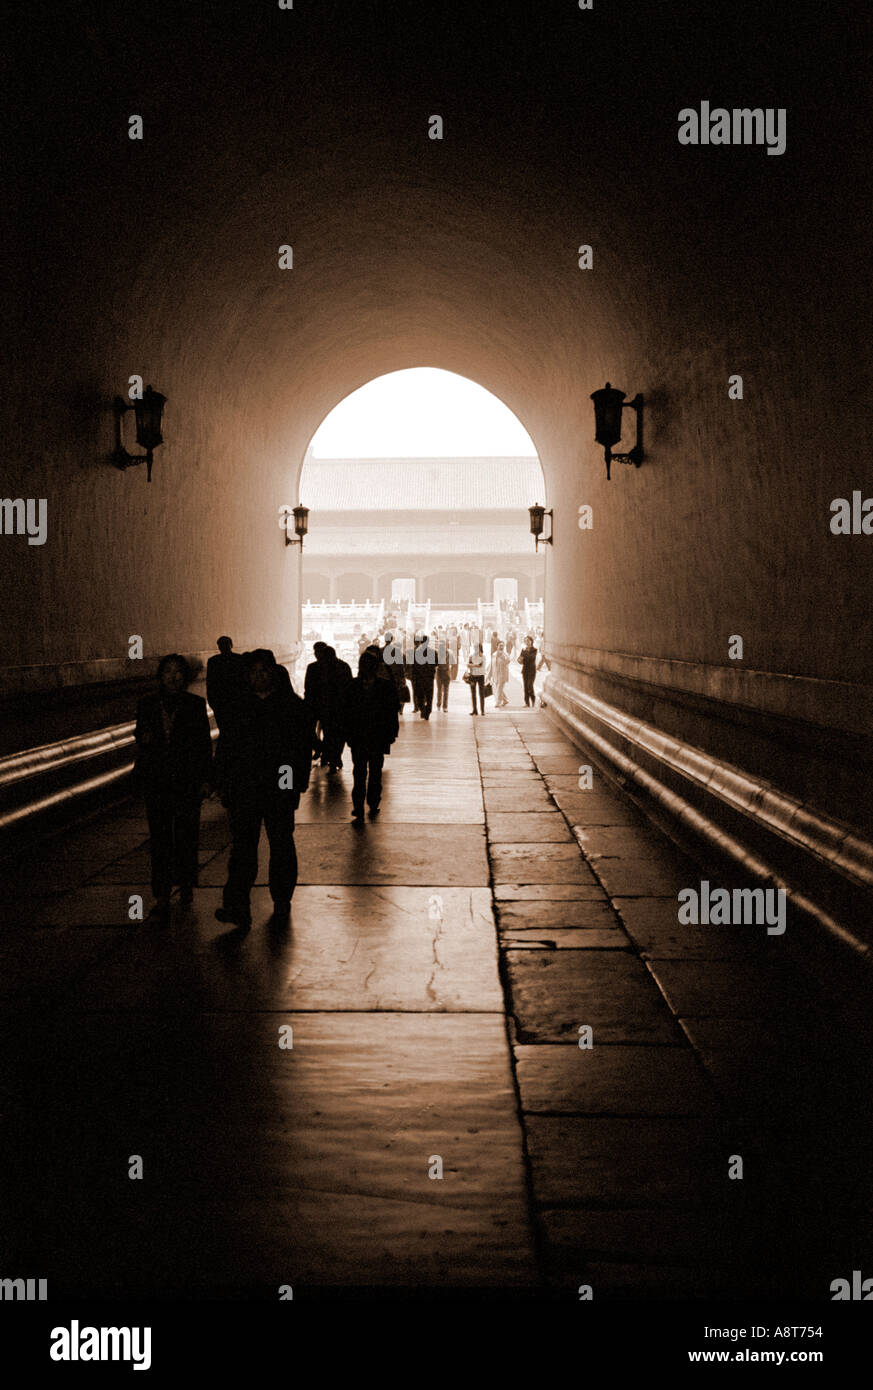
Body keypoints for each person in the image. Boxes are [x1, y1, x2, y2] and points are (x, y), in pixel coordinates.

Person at [217, 649, 315, 927]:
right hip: (245, 788)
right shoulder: (238, 708)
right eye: (253, 672)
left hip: (278, 788)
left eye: (263, 671)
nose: (259, 677)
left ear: (273, 672)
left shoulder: (292, 707)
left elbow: (300, 750)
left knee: (281, 843)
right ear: (246, 676)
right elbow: (227, 749)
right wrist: (223, 781)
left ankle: (281, 898)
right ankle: (237, 906)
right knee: (243, 849)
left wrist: (293, 785)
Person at [135, 654, 212, 920]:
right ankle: (163, 892)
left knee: (186, 835)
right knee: (160, 838)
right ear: (160, 676)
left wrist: (205, 779)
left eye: (178, 672)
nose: (173, 677)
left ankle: (187, 883)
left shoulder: (195, 705)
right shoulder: (146, 705)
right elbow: (141, 739)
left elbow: (203, 745)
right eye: (168, 672)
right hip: (157, 783)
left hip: (187, 782)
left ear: (185, 677)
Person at [344, 645, 400, 823]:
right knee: (368, 772)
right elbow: (392, 712)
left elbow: (391, 712)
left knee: (364, 772)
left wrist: (391, 733)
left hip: (371, 736)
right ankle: (366, 804)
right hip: (368, 737)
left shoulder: (354, 687)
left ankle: (362, 805)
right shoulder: (383, 687)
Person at [304, 641, 352, 771]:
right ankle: (334, 756)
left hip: (320, 707)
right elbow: (349, 689)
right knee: (336, 735)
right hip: (337, 707)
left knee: (326, 733)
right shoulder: (343, 666)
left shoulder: (314, 668)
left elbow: (308, 688)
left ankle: (327, 753)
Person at [410, 631, 436, 719]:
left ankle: (422, 709)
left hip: (419, 678)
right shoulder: (433, 652)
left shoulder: (415, 652)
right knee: (429, 696)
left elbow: (412, 665)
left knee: (419, 695)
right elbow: (437, 663)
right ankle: (428, 711)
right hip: (429, 678)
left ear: (421, 642)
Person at [466, 639, 488, 715]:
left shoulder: (483, 657)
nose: (475, 649)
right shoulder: (471, 656)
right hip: (473, 676)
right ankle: (474, 710)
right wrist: (476, 665)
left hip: (481, 676)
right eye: (474, 647)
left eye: (477, 647)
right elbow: (468, 665)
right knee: (473, 694)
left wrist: (473, 665)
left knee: (481, 694)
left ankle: (482, 710)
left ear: (480, 648)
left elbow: (481, 666)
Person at [518, 634, 538, 708]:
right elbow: (520, 659)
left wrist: (524, 654)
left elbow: (531, 658)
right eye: (525, 641)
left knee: (530, 685)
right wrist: (520, 660)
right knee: (525, 687)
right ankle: (527, 703)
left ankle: (533, 700)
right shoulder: (523, 650)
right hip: (525, 670)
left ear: (531, 641)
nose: (527, 642)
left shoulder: (534, 650)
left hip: (532, 670)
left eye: (528, 641)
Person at [435, 632, 452, 711]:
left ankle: (439, 705)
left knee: (440, 690)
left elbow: (435, 665)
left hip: (440, 672)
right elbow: (452, 664)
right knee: (445, 690)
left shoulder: (437, 653)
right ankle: (444, 707)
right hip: (446, 672)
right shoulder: (449, 652)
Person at [491, 639, 510, 707]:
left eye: (502, 646)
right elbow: (492, 665)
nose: (501, 647)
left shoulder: (505, 654)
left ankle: (498, 702)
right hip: (496, 674)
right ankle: (505, 700)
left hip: (503, 674)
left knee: (499, 688)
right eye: (500, 645)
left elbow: (508, 661)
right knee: (499, 688)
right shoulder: (494, 654)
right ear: (497, 646)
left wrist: (502, 656)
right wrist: (490, 675)